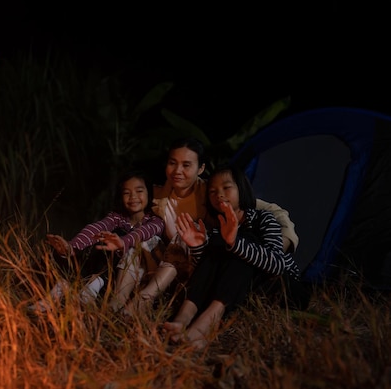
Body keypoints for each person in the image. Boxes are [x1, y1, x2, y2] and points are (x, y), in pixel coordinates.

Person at [117, 137, 299, 314]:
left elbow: (271, 210)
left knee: (187, 234)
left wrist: (283, 242)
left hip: (204, 264)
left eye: (186, 165)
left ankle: (147, 299)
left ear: (201, 168)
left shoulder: (213, 192)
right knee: (140, 242)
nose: (177, 170)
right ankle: (117, 301)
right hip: (170, 269)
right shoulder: (156, 195)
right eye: (172, 163)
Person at [161, 164, 302, 349]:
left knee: (242, 240)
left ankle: (207, 323)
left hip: (278, 286)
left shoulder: (263, 219)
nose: (219, 194)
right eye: (212, 191)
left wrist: (235, 243)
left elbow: (277, 265)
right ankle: (182, 318)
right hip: (238, 291)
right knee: (218, 245)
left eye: (226, 188)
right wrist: (197, 247)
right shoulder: (216, 228)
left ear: (241, 189)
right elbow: (206, 274)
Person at [28, 169, 165, 312]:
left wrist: (122, 242)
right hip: (103, 271)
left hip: (130, 279)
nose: (133, 197)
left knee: (120, 237)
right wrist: (71, 247)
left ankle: (85, 288)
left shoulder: (155, 221)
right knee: (99, 241)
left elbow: (141, 233)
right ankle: (62, 291)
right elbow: (96, 228)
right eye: (126, 193)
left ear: (149, 193)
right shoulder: (117, 217)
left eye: (139, 191)